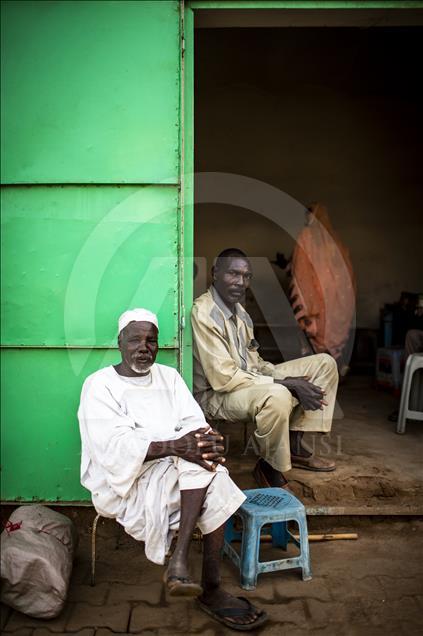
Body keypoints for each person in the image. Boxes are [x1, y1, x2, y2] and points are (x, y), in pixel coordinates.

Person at [78, 308, 267, 631]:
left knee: (211, 466)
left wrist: (210, 441)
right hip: (127, 482)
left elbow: (195, 425)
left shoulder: (169, 377)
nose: (143, 346)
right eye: (135, 339)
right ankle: (210, 587)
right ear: (119, 342)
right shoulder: (99, 385)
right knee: (210, 472)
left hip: (175, 472)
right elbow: (113, 449)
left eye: (151, 340)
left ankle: (182, 566)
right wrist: (179, 447)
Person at [192, 249, 339, 489]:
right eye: (233, 274)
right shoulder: (204, 313)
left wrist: (283, 376)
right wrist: (287, 384)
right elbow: (223, 377)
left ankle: (294, 445)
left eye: (246, 276)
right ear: (215, 274)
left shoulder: (240, 312)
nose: (241, 282)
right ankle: (269, 466)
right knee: (278, 394)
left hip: (244, 384)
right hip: (215, 394)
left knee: (324, 363)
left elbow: (255, 362)